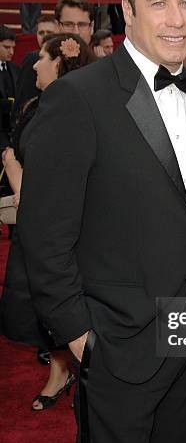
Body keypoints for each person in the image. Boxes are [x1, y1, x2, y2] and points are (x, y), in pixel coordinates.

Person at [15, 0, 186, 443]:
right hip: (116, 342)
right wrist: (80, 333)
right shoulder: (79, 99)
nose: (177, 19)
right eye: (158, 3)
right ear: (127, 11)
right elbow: (44, 231)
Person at [1, 33, 95, 411]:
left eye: (41, 57)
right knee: (38, 306)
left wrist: (13, 168)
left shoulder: (73, 111)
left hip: (52, 226)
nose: (35, 64)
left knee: (57, 299)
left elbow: (53, 176)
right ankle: (61, 369)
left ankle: (70, 372)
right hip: (28, 227)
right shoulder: (34, 104)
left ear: (59, 62)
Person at [13, 14, 59, 117]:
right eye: (41, 32)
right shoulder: (32, 59)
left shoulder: (65, 58)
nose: (45, 36)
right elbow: (22, 98)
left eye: (49, 32)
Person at [0, 26, 20, 147]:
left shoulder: (15, 68)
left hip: (11, 132)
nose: (11, 52)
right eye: (6, 47)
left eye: (13, 48)